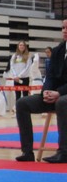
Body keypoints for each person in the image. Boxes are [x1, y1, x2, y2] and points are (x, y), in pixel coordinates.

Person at [16, 20, 67, 162]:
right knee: (22, 103)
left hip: (63, 97)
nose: (64, 30)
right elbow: (50, 75)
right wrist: (46, 91)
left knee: (62, 102)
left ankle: (64, 152)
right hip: (54, 95)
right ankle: (27, 152)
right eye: (62, 27)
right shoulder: (58, 51)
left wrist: (59, 93)